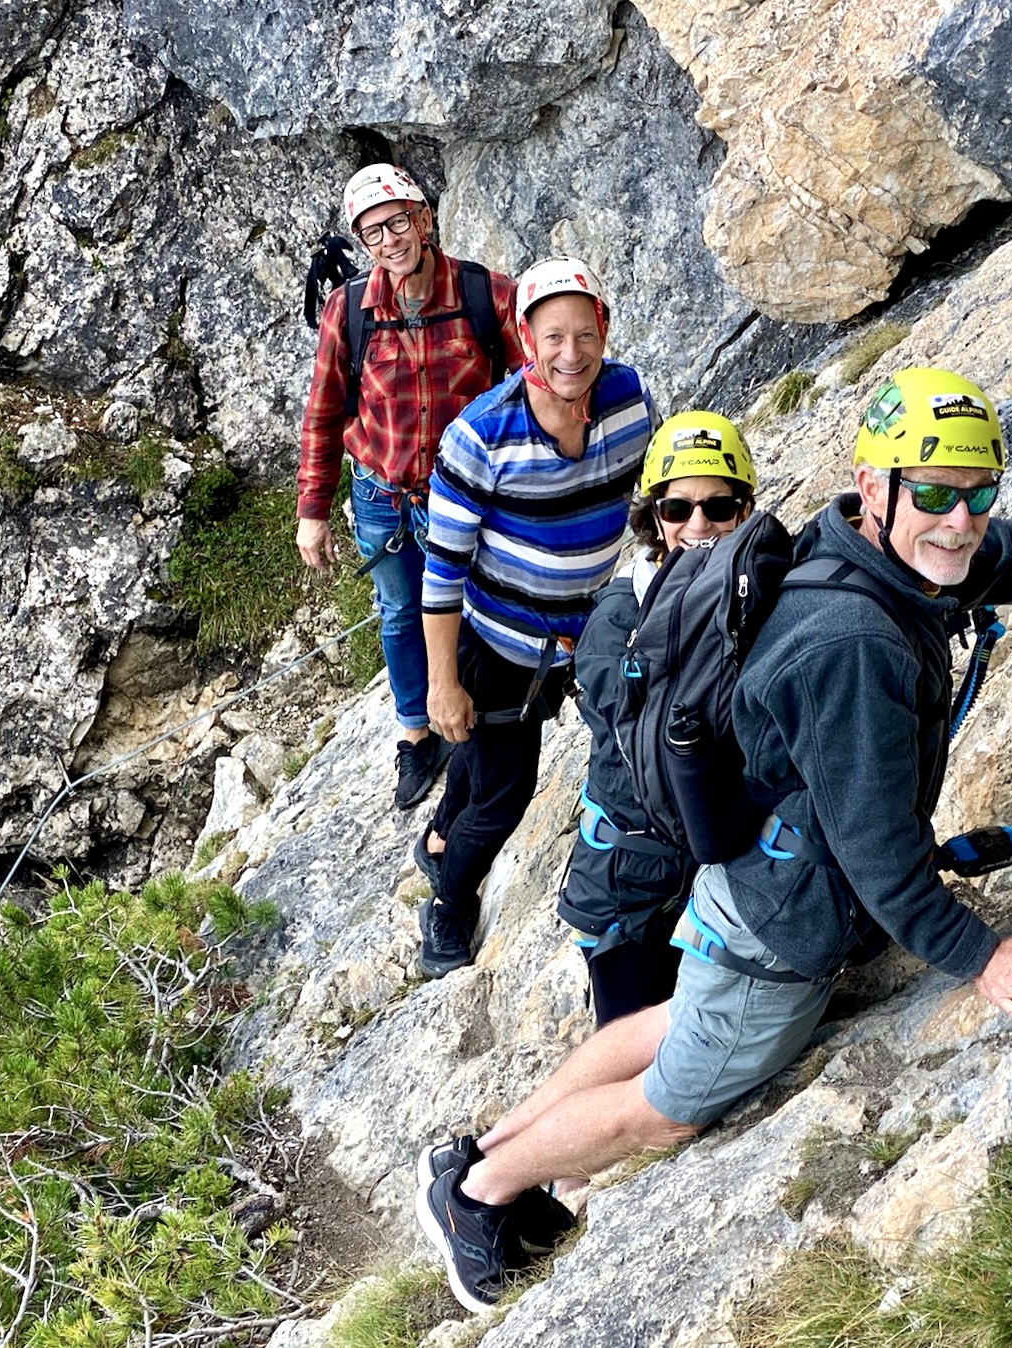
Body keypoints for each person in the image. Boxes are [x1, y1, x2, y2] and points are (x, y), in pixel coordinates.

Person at [414, 367, 1012, 1312]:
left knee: (674, 1024)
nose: (960, 519)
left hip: (743, 885)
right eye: (933, 493)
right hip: (779, 928)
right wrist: (984, 957)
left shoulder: (875, 547)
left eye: (977, 493)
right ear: (875, 483)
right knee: (669, 1107)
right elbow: (881, 861)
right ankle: (482, 1195)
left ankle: (478, 1152)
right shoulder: (854, 643)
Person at [415, 257, 655, 980]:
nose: (571, 354)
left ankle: (438, 834)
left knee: (483, 763)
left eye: (584, 334)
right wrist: (441, 685)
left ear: (604, 330)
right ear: (525, 339)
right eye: (553, 337)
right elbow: (442, 574)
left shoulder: (630, 397)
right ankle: (450, 901)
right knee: (505, 794)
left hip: (575, 638)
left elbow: (651, 486)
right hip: (496, 646)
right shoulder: (480, 435)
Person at [296, 164, 523, 811]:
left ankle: (473, 714)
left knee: (475, 605)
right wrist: (313, 510)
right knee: (399, 613)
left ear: (424, 220)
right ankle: (416, 734)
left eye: (398, 221)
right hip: (382, 494)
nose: (389, 239)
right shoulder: (350, 311)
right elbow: (324, 411)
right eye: (372, 232)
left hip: (466, 494)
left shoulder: (486, 294)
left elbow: (533, 379)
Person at [560, 412, 759, 1027]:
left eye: (719, 508)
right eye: (677, 510)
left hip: (716, 869)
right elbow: (629, 727)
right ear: (654, 517)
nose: (698, 526)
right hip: (632, 889)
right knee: (635, 1051)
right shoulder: (620, 616)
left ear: (743, 513)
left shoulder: (749, 590)